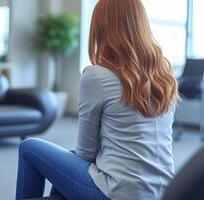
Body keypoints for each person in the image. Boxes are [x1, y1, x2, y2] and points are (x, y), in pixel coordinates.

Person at [15, 0, 179, 199]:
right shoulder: (164, 73)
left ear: (101, 27)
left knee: (29, 147)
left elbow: (86, 153)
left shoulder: (97, 76)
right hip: (164, 192)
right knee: (66, 162)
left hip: (117, 193)